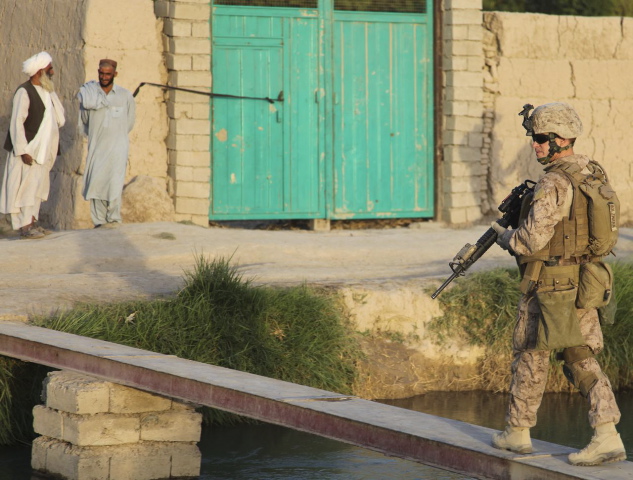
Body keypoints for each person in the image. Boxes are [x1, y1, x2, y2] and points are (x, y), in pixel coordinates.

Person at [490, 102, 626, 466]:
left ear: (560, 139)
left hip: (549, 283)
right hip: (583, 280)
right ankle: (607, 433)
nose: (534, 145)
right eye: (533, 138)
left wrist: (506, 239)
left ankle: (517, 433)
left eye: (539, 138)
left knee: (530, 353)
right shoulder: (589, 171)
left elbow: (530, 241)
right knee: (580, 354)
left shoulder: (553, 181)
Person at [0, 51, 65, 239]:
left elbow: (58, 118)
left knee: (37, 189)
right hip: (29, 150)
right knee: (24, 190)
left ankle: (32, 222)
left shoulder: (47, 91)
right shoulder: (24, 91)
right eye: (49, 69)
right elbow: (17, 122)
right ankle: (25, 227)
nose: (52, 72)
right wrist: (22, 150)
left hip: (42, 151)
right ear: (40, 71)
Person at [77, 59, 135, 228]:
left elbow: (129, 123)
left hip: (118, 148)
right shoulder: (89, 96)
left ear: (114, 74)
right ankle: (99, 222)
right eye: (101, 73)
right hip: (98, 147)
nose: (104, 77)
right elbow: (85, 121)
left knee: (115, 183)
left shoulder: (125, 96)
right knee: (96, 183)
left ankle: (114, 220)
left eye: (108, 74)